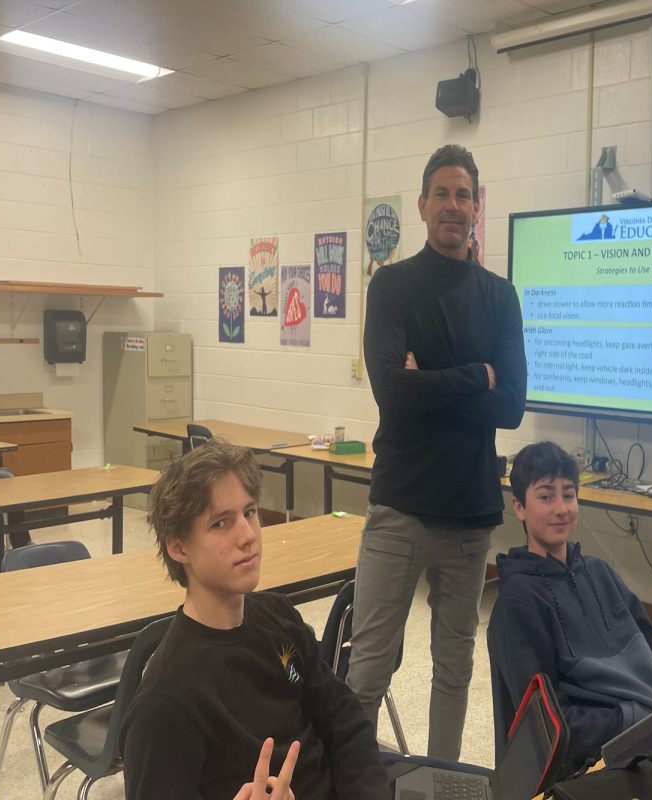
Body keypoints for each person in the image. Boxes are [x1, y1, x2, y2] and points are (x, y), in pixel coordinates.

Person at [351, 143, 527, 759]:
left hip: (470, 513)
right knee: (369, 668)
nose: (454, 206)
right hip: (400, 506)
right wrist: (475, 375)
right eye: (442, 194)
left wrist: (430, 378)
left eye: (464, 195)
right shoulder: (393, 286)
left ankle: (441, 782)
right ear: (423, 206)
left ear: (477, 208)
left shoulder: (501, 296)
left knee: (454, 670)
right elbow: (392, 395)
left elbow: (512, 407)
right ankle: (351, 784)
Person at [120, 440, 388, 800]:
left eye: (249, 512)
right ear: (179, 547)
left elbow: (345, 721)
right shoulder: (165, 705)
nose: (248, 536)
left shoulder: (277, 617)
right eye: (220, 523)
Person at [488, 441, 652, 775]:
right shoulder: (518, 603)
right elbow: (551, 727)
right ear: (519, 507)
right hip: (588, 766)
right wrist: (632, 717)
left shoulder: (598, 571)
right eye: (546, 496)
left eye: (569, 495)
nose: (561, 508)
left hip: (650, 729)